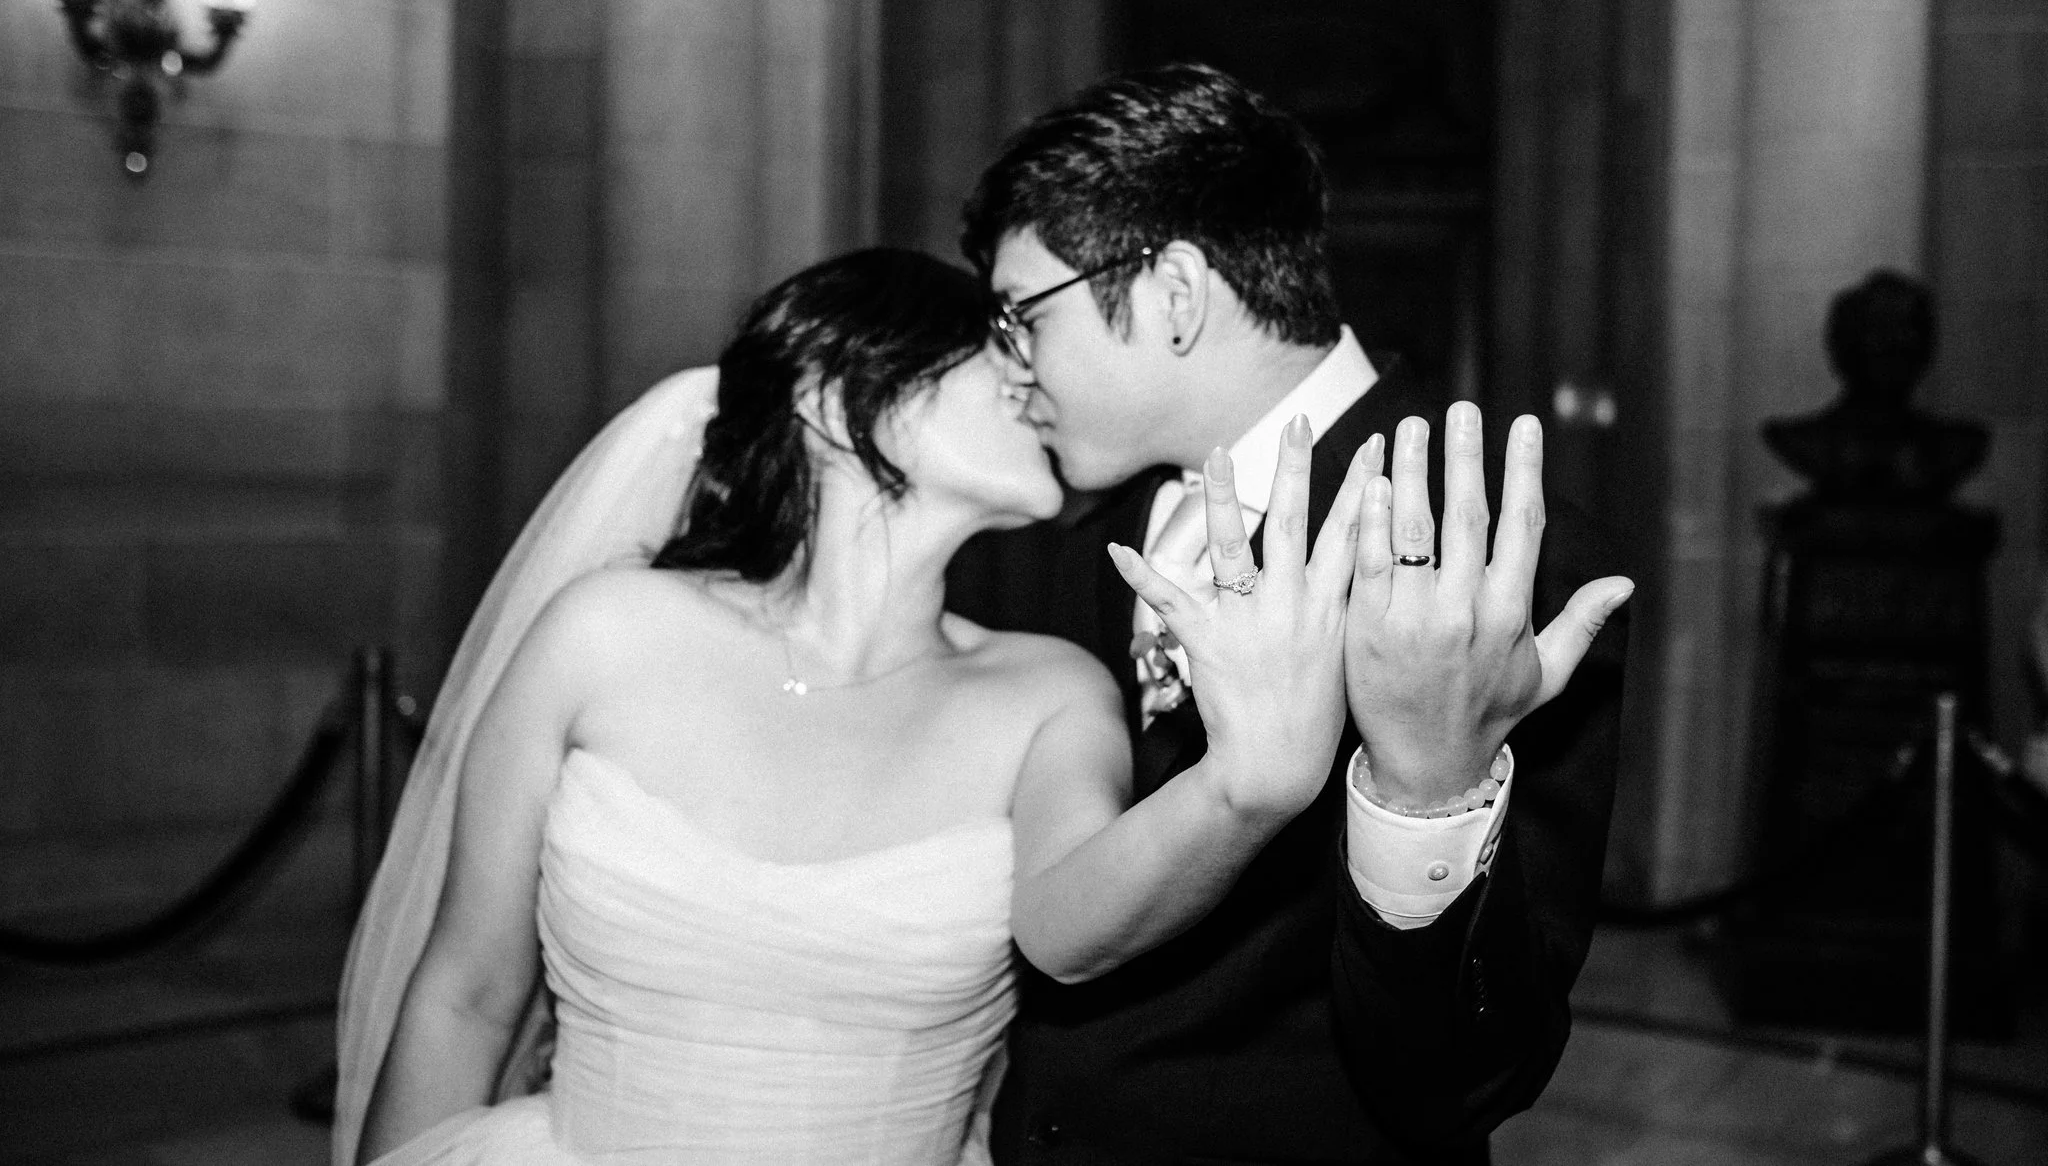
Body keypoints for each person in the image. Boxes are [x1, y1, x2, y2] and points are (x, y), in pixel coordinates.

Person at [334, 248, 1394, 1166]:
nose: (1036, 377)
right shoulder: (603, 636)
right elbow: (465, 993)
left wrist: (1238, 791)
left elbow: (1069, 930)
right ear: (837, 400)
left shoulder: (1046, 692)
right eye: (998, 347)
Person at [949, 63, 1635, 1164]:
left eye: (1020, 316)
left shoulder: (1489, 554)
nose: (1007, 368)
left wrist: (1427, 793)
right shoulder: (1059, 545)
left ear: (1174, 296)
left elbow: (1468, 1075)